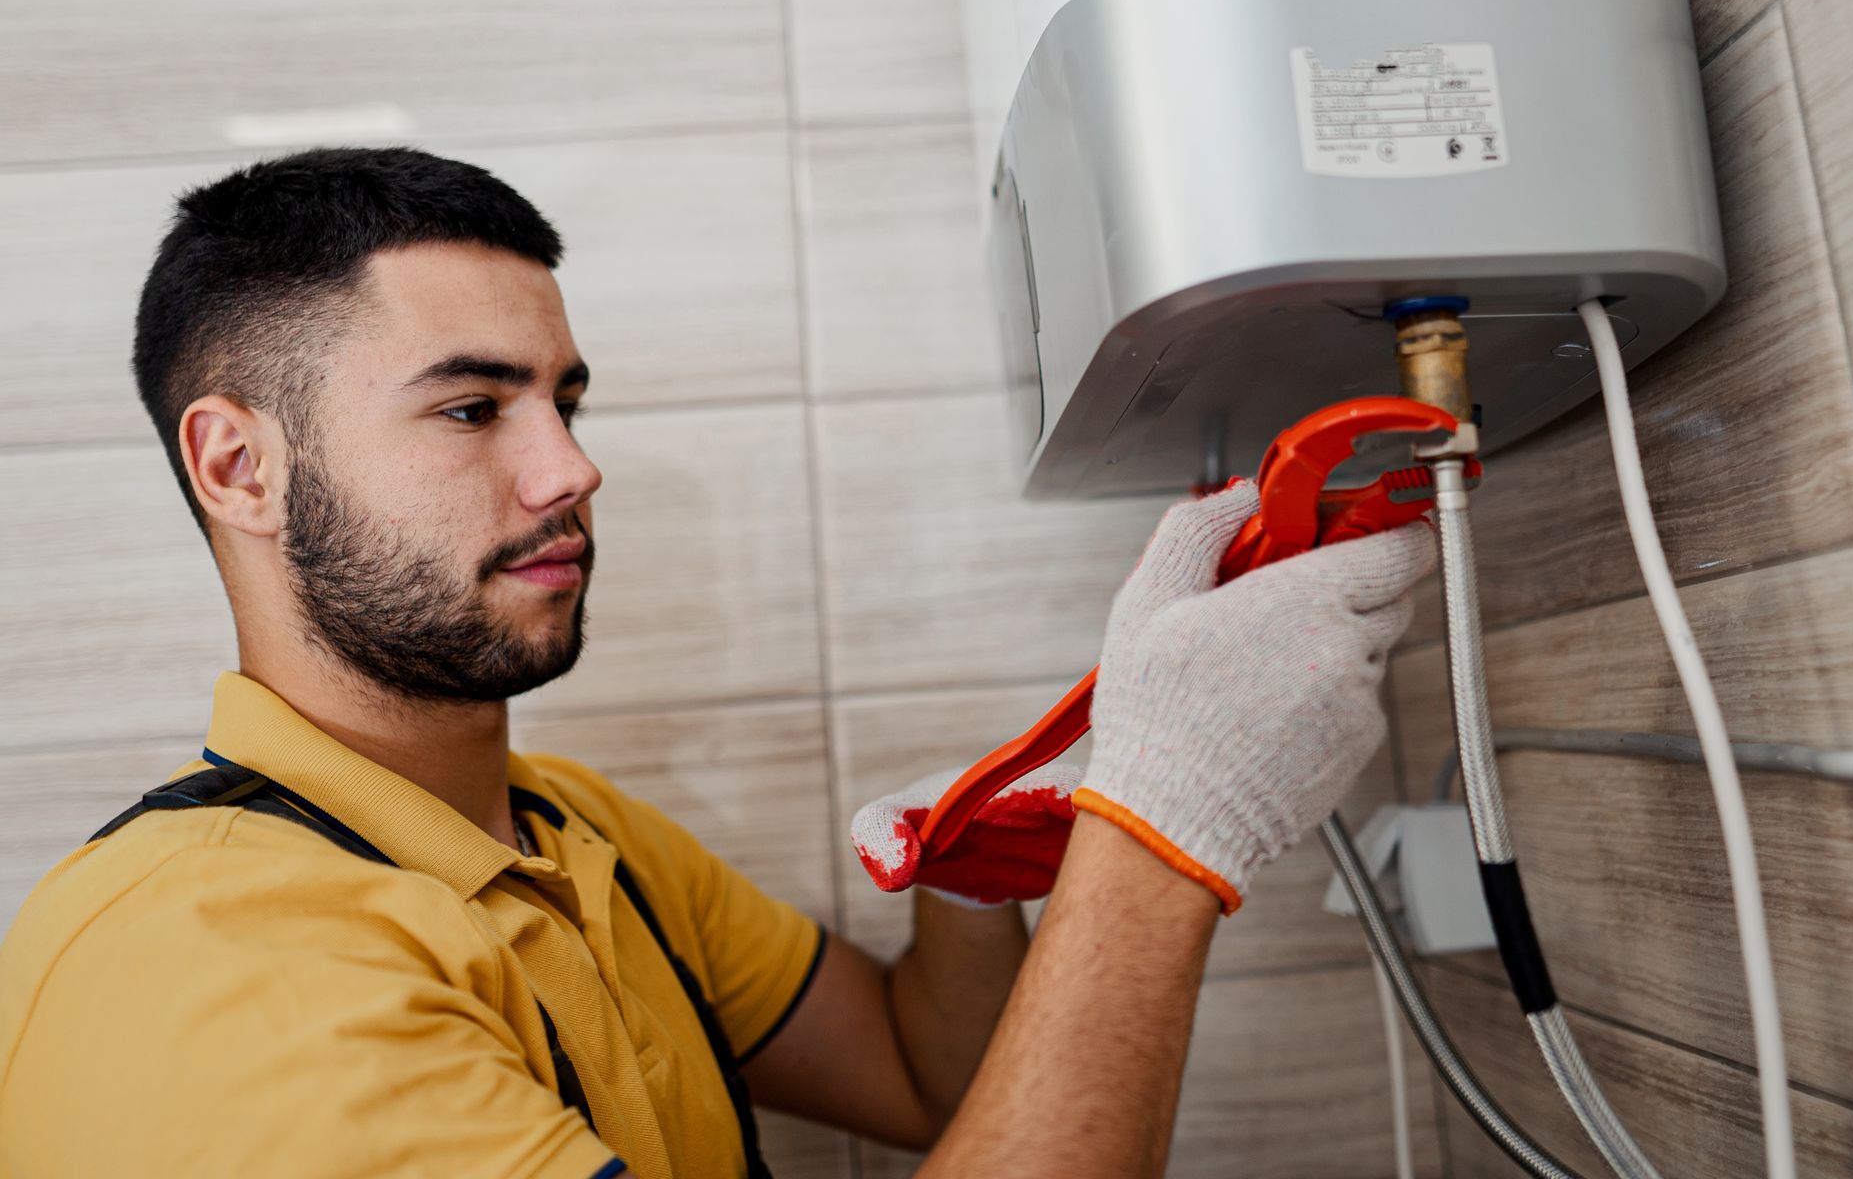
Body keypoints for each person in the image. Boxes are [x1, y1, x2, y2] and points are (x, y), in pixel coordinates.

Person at [0, 147, 1434, 1177]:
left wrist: (983, 862)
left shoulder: (567, 831)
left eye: (562, 400)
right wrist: (1165, 834)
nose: (572, 467)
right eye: (471, 410)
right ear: (239, 466)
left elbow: (931, 1080)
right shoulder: (222, 974)